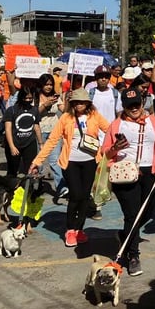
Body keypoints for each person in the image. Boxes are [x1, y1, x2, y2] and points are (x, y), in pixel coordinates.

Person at [101, 88, 155, 276]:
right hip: (125, 173)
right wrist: (114, 148)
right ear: (124, 106)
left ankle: (125, 236)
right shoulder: (116, 125)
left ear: (142, 102)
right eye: (130, 106)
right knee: (132, 215)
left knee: (146, 213)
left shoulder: (153, 121)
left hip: (149, 172)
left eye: (137, 104)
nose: (134, 108)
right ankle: (132, 256)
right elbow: (105, 152)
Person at [30, 88, 111, 247]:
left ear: (88, 103)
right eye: (77, 102)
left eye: (83, 102)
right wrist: (37, 161)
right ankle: (70, 229)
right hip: (71, 162)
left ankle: (79, 230)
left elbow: (110, 130)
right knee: (75, 196)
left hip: (90, 161)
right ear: (72, 103)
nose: (80, 105)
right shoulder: (66, 118)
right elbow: (52, 141)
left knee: (85, 196)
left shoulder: (94, 116)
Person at [36, 73, 66, 201]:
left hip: (54, 130)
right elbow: (33, 114)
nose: (48, 87)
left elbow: (64, 109)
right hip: (39, 131)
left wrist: (68, 100)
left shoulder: (55, 96)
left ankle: (61, 187)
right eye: (46, 84)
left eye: (50, 84)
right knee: (39, 161)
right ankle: (37, 186)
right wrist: (45, 105)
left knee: (55, 160)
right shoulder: (35, 97)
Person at [3, 88, 42, 177]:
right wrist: (12, 146)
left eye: (30, 98)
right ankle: (11, 187)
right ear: (21, 98)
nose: (28, 100)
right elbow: (8, 129)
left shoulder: (34, 110)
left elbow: (36, 127)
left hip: (29, 142)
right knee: (12, 170)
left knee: (31, 169)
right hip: (15, 142)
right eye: (26, 98)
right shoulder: (12, 110)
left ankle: (28, 189)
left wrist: (40, 143)